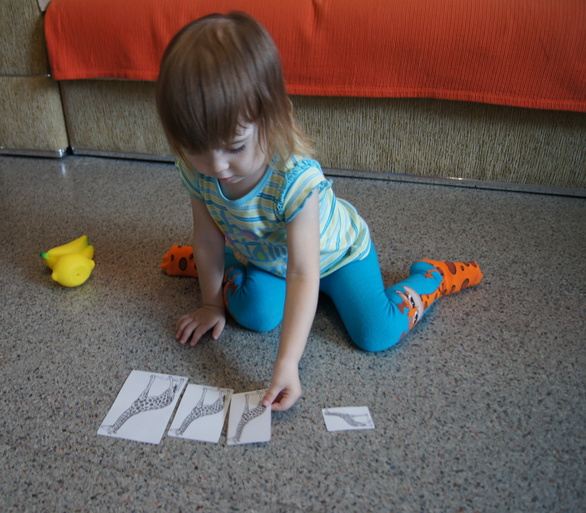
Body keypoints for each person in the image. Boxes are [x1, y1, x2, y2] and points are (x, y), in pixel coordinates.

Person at [156, 12, 483, 412]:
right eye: (197, 149)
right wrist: (211, 304)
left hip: (338, 258)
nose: (217, 166)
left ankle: (433, 278)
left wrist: (287, 362)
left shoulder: (296, 180)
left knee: (376, 333)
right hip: (270, 260)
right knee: (253, 314)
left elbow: (303, 271)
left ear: (273, 118)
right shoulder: (198, 169)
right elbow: (208, 237)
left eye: (235, 147)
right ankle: (221, 266)